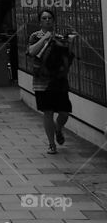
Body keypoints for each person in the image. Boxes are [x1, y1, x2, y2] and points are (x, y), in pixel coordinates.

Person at [27, 9, 74, 154]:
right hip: (41, 81)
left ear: (54, 20)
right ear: (40, 21)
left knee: (64, 112)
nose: (47, 20)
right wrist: (45, 38)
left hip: (59, 81)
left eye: (50, 18)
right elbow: (32, 52)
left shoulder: (60, 37)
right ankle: (51, 143)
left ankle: (58, 128)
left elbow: (68, 58)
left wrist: (71, 43)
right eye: (44, 18)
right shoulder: (35, 36)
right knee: (48, 112)